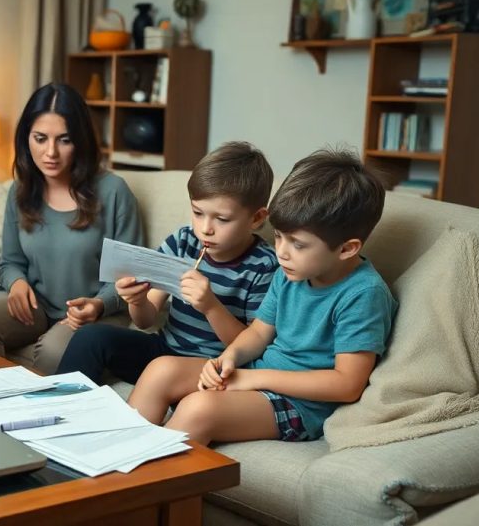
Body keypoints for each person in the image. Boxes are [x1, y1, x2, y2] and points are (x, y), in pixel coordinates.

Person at [127, 149, 397, 445]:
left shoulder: (363, 293)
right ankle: (113, 459)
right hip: (257, 373)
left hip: (299, 405)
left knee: (199, 408)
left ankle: (142, 471)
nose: (281, 252)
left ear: (347, 249)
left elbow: (347, 384)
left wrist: (254, 378)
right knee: (162, 370)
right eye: (279, 236)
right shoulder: (290, 272)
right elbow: (257, 333)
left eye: (298, 244)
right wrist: (228, 358)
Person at [57, 141, 278, 382]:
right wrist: (138, 301)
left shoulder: (264, 266)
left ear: (256, 218)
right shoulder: (183, 241)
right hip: (165, 350)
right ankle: (61, 402)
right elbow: (145, 321)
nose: (205, 229)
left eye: (222, 219)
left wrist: (210, 307)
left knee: (168, 370)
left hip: (214, 368)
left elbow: (252, 347)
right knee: (90, 337)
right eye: (198, 213)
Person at [0, 83, 143, 374]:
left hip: (96, 312)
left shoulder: (114, 191)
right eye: (40, 139)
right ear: (26, 138)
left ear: (81, 141)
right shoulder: (19, 191)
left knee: (54, 354)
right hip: (37, 307)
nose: (50, 152)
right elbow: (10, 262)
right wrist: (17, 283)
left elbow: (130, 277)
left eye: (64, 140)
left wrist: (98, 305)